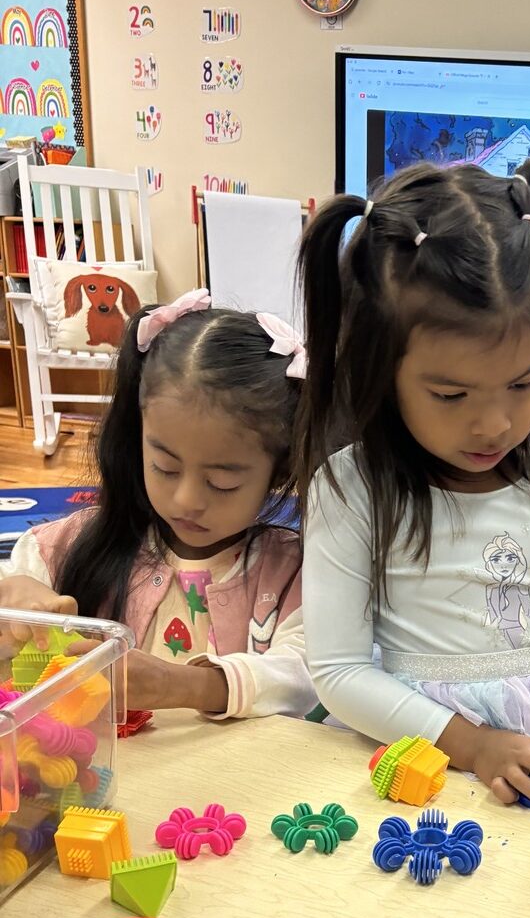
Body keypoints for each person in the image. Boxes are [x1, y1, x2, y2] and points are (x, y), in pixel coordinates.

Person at [295, 157, 530, 803]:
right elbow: (339, 671)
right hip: (430, 759)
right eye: (451, 394)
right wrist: (472, 745)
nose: (495, 423)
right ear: (380, 369)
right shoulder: (353, 489)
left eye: (522, 382)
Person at [0, 294, 314, 719]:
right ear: (138, 438)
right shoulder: (63, 547)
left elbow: (306, 677)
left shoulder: (294, 574)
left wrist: (181, 685)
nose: (186, 500)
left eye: (222, 483)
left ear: (279, 472)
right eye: (165, 467)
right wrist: (12, 601)